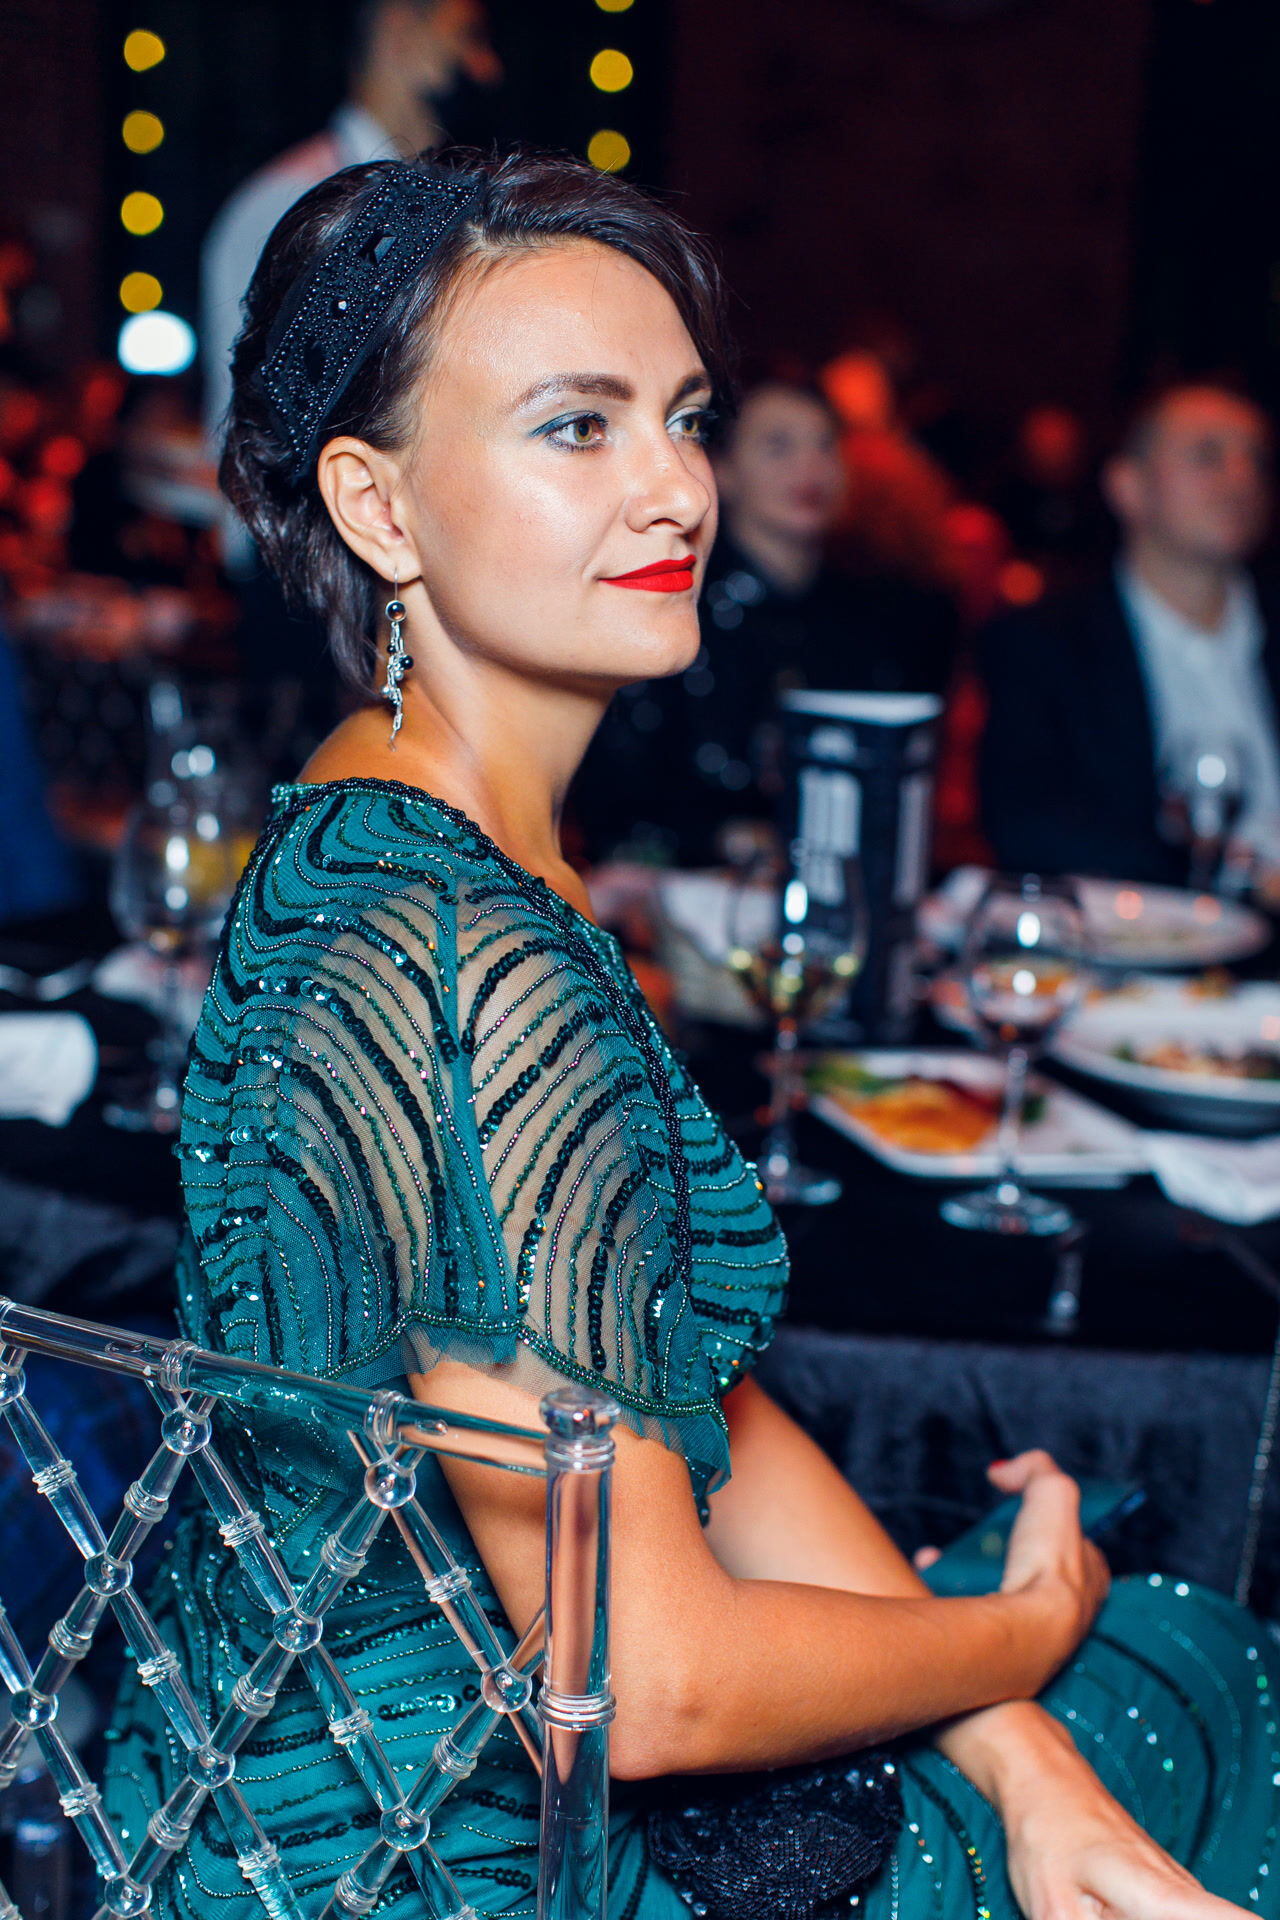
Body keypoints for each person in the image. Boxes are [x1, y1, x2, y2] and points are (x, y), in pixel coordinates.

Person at [103, 149, 1275, 1920]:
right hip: (451, 1864)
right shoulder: (465, 948)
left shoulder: (386, 826)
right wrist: (1025, 1630)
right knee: (1200, 1669)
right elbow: (646, 1683)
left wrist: (1016, 1742)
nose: (676, 489)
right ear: (378, 505)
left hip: (274, 1788)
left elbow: (680, 1394)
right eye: (577, 428)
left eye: (685, 418)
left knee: (1118, 1693)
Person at [575, 376, 953, 865]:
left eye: (825, 445)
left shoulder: (882, 615)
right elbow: (617, 804)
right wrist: (726, 839)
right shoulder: (673, 610)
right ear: (723, 470)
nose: (810, 467)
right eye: (779, 446)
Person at [980, 382, 1280, 887]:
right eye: (1208, 455)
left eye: (1258, 460)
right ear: (1128, 486)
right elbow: (1027, 826)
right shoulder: (1048, 640)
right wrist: (1244, 878)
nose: (1240, 477)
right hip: (1137, 928)